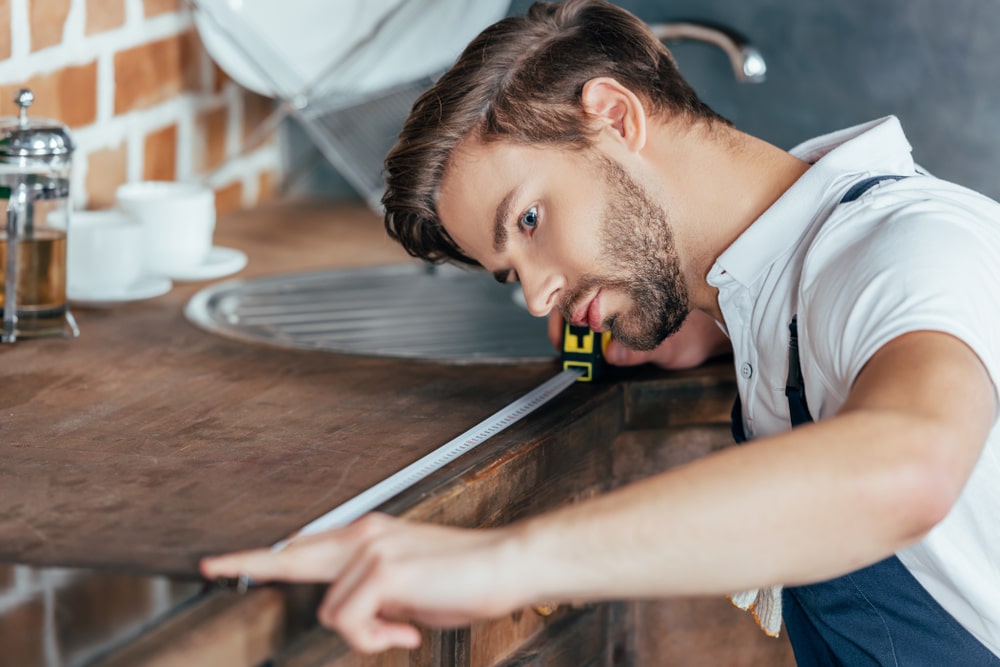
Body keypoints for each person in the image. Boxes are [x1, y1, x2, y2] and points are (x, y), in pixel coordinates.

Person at [201, 0, 1000, 662]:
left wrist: (502, 560)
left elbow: (909, 466)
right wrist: (723, 321)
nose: (538, 294)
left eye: (530, 218)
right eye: (511, 271)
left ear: (614, 115)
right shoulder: (783, 293)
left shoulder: (907, 248)